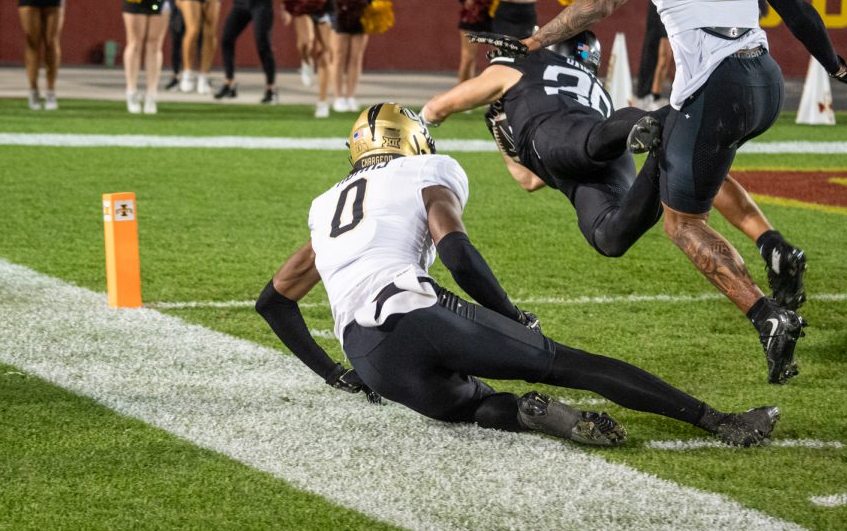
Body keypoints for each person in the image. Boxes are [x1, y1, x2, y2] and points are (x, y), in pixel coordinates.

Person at [505, 0, 847, 383]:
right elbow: (792, 7)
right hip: (762, 79)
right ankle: (772, 247)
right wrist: (836, 63)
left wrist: (536, 39)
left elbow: (603, 0)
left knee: (681, 223)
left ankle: (767, 317)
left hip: (715, 84)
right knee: (693, 159)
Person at [257, 103, 780, 448]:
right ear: (414, 141)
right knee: (568, 364)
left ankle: (529, 415)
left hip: (369, 356)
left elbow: (274, 302)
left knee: (471, 403)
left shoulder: (326, 208)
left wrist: (335, 373)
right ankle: (722, 422)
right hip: (413, 311)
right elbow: (457, 252)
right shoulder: (425, 172)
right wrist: (511, 315)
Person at [422, 31, 807, 309]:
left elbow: (440, 108)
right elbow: (531, 179)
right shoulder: (598, 91)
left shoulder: (524, 63)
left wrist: (420, 121)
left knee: (592, 140)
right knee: (610, 237)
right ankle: (766, 236)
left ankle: (665, 118)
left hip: (571, 138)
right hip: (599, 148)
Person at [333, 0, 377, 113]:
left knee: (356, 57)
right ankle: (337, 96)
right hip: (342, 12)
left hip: (361, 13)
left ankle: (351, 96)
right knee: (339, 55)